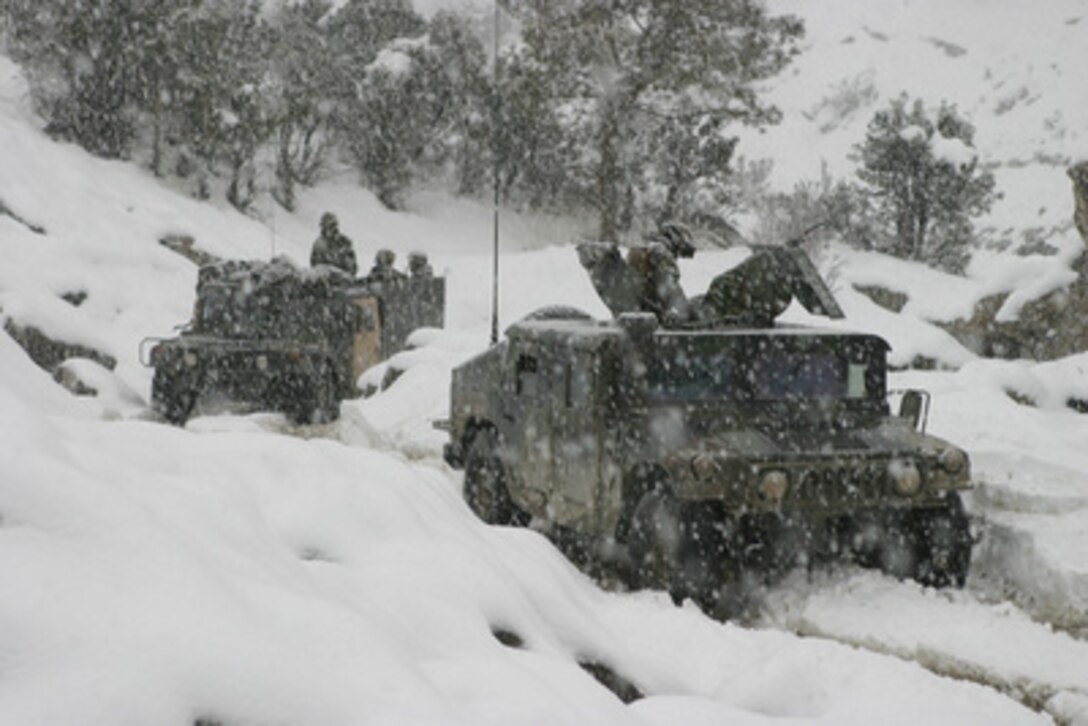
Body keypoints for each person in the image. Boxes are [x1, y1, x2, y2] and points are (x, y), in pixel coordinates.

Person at [626, 221, 696, 325]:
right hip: (650, 315)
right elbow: (669, 289)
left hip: (640, 311)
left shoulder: (644, 250)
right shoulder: (660, 252)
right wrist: (687, 313)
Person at [310, 212, 358, 276]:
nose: (328, 229)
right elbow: (314, 264)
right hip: (323, 279)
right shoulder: (318, 243)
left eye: (331, 226)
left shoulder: (343, 242)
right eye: (324, 227)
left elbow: (351, 268)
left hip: (342, 279)